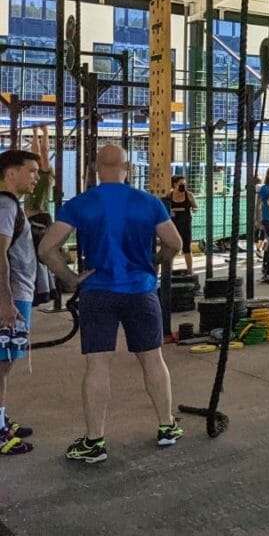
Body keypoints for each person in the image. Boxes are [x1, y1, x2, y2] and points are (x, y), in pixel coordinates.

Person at [38, 145, 184, 464]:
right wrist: (156, 261)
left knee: (98, 364)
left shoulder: (81, 203)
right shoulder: (147, 202)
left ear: (93, 167)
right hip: (140, 291)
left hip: (98, 291)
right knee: (152, 359)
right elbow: (174, 243)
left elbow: (47, 248)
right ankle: (166, 427)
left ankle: (94, 442)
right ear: (127, 168)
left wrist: (70, 277)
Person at [0, 148, 79, 456]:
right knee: (2, 364)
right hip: (10, 297)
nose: (36, 177)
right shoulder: (6, 206)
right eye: (31, 171)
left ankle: (3, 419)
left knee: (5, 364)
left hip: (16, 294)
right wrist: (6, 303)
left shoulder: (11, 206)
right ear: (11, 173)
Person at [25, 125, 57, 305]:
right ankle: (42, 289)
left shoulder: (44, 176)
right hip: (33, 218)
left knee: (38, 257)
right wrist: (36, 134)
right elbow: (35, 156)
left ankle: (44, 290)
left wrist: (43, 133)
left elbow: (43, 153)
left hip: (39, 218)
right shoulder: (38, 176)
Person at [163, 175, 197, 273]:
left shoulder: (189, 195)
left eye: (184, 184)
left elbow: (196, 207)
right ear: (174, 184)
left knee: (187, 247)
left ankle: (190, 270)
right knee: (171, 247)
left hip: (185, 223)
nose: (183, 186)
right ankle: (170, 271)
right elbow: (164, 207)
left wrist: (193, 209)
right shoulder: (169, 195)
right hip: (173, 224)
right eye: (181, 184)